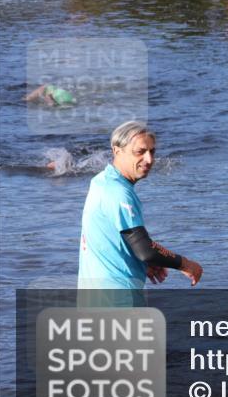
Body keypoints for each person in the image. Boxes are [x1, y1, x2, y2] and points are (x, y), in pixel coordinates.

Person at [77, 121, 203, 304]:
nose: (149, 159)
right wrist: (185, 264)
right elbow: (145, 249)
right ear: (117, 151)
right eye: (140, 152)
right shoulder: (119, 194)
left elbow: (107, 236)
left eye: (152, 151)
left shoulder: (101, 181)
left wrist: (139, 262)